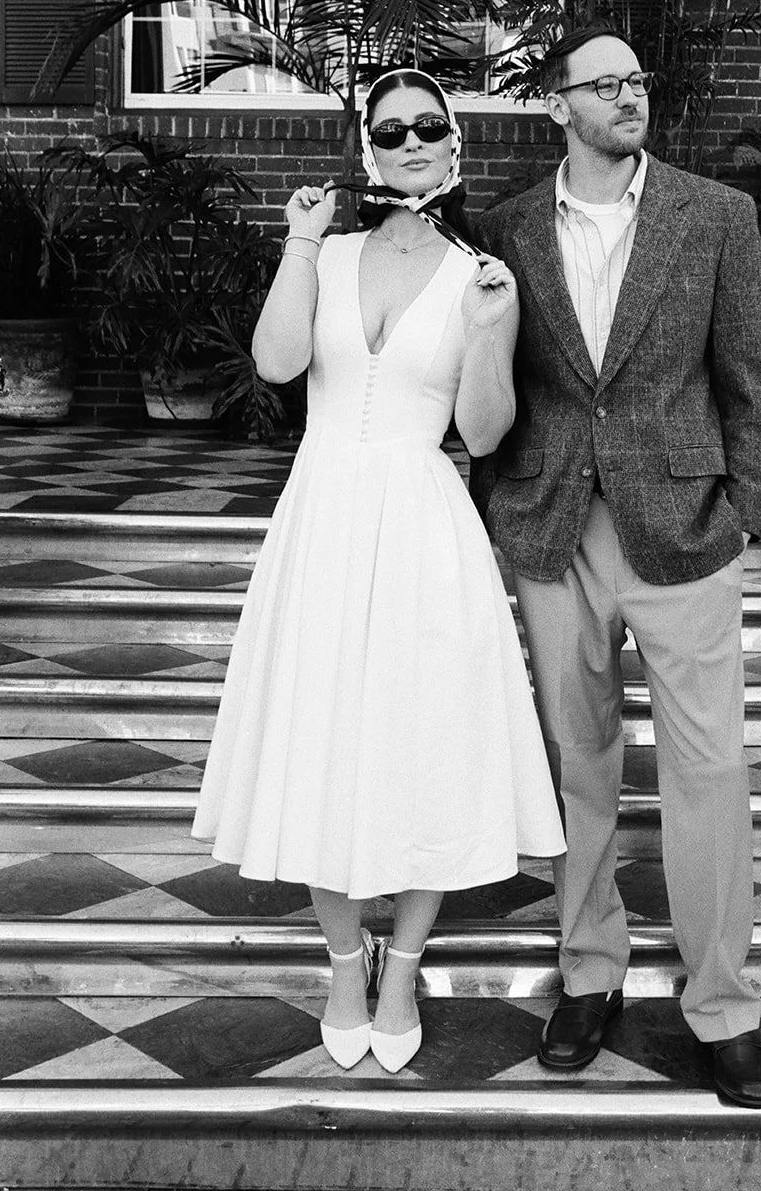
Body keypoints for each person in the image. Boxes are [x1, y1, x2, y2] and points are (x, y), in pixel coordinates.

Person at [193, 68, 565, 1075]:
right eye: (389, 129)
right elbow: (274, 365)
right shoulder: (331, 248)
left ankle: (401, 966)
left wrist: (491, 331)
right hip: (321, 516)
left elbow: (481, 431)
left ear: (455, 147)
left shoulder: (480, 272)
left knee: (422, 741)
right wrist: (301, 241)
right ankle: (343, 963)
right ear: (367, 148)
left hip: (421, 520)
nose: (408, 143)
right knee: (324, 737)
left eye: (426, 128)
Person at [471, 23, 761, 1108]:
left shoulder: (715, 215)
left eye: (635, 81)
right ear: (555, 105)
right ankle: (588, 973)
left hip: (683, 528)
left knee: (709, 770)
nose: (626, 97)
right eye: (602, 86)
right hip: (551, 528)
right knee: (579, 764)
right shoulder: (505, 225)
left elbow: (749, 373)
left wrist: (744, 507)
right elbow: (490, 373)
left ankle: (722, 1006)